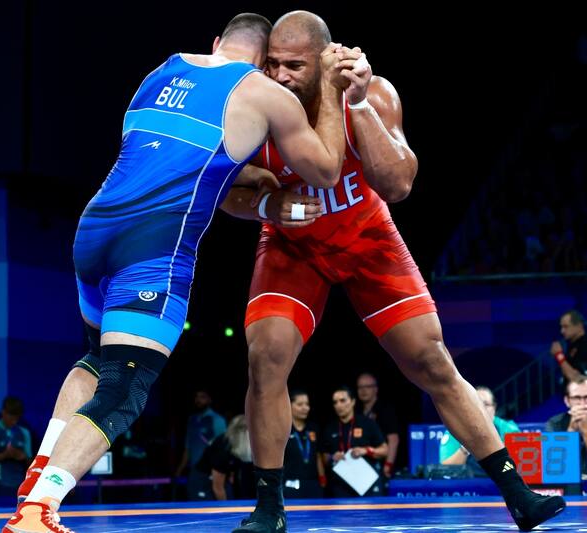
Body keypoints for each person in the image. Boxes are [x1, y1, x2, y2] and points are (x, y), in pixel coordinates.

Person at [4, 12, 354, 532]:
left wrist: (255, 187)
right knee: (125, 386)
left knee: (97, 360)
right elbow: (326, 168)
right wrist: (329, 84)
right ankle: (39, 511)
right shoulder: (261, 90)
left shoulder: (160, 72)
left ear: (217, 44)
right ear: (262, 63)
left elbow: (180, 157)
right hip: (152, 248)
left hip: (93, 232)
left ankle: (34, 484)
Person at [220, 10, 565, 532]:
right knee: (264, 357)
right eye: (272, 64)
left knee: (432, 362)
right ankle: (269, 508)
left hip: (367, 239)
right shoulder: (257, 107)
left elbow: (399, 184)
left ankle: (517, 494)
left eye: (294, 65)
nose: (281, 76)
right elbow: (225, 195)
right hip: (293, 246)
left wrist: (356, 105)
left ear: (325, 60)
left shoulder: (372, 92)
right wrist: (267, 209)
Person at [322, 386, 386, 498]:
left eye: (343, 401)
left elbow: (385, 450)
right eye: (335, 402)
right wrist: (333, 457)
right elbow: (324, 457)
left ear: (353, 402)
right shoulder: (330, 428)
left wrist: (366, 451)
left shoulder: (367, 423)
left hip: (367, 483)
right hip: (340, 486)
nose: (339, 405)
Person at [440, 387, 519, 472]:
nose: (481, 408)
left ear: (494, 408)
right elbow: (447, 468)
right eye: (476, 403)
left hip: (500, 481)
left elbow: (518, 466)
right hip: (469, 482)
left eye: (486, 404)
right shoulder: (455, 429)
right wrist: (466, 447)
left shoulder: (509, 429)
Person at [176, 389, 227, 500]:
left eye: (202, 397)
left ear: (209, 399)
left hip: (212, 470)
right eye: (196, 397)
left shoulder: (217, 420)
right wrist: (180, 470)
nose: (198, 400)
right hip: (195, 470)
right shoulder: (192, 420)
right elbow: (188, 447)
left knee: (214, 502)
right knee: (194, 501)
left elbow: (223, 447)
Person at [192, 415, 254, 500]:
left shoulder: (238, 445)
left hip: (223, 477)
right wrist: (226, 510)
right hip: (203, 480)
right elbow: (217, 488)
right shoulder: (223, 448)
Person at [356, 372, 400, 478]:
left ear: (376, 389)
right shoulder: (356, 411)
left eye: (368, 387)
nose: (364, 390)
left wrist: (388, 464)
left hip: (381, 464)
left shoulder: (385, 410)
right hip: (361, 466)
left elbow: (393, 439)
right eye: (360, 387)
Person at [283, 389, 325, 499]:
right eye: (300, 404)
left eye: (307, 404)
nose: (305, 408)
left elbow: (318, 456)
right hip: (289, 484)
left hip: (313, 483)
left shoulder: (314, 428)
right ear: (289, 405)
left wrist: (323, 480)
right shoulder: (283, 430)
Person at [550, 310, 587, 382]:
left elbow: (576, 378)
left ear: (579, 326)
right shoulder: (572, 344)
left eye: (566, 327)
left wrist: (559, 355)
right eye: (561, 327)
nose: (562, 331)